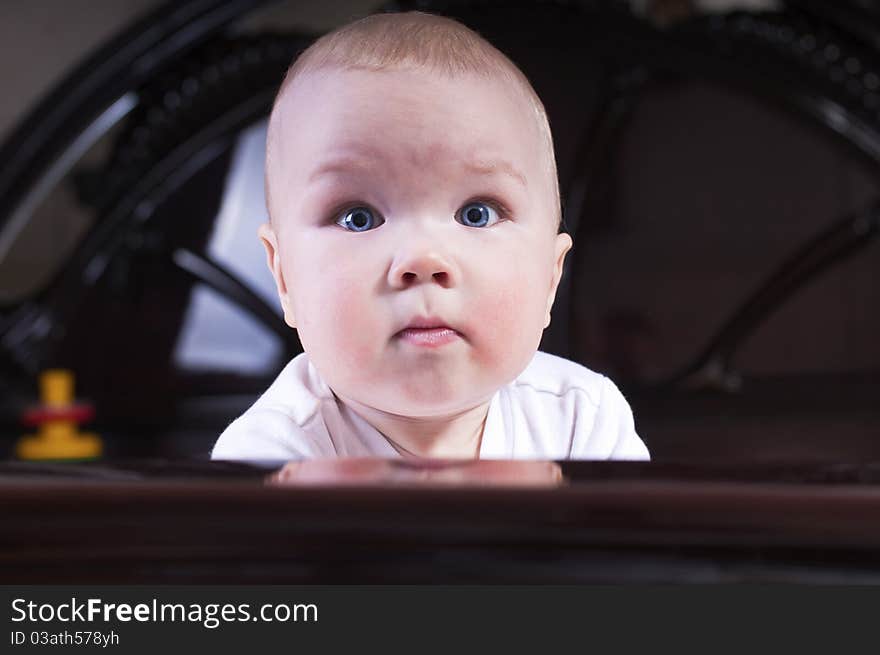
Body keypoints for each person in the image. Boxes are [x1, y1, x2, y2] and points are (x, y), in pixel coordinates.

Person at [211, 11, 650, 461]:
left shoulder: (582, 421)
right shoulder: (270, 458)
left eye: (477, 214)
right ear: (284, 279)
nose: (423, 258)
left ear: (550, 278)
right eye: (357, 217)